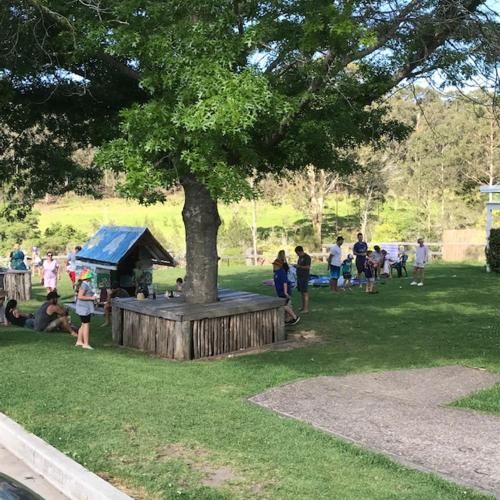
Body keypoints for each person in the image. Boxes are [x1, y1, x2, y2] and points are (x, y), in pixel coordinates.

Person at [272, 259, 300, 325]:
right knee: (287, 305)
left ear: (279, 266)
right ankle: (288, 319)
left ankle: (295, 317)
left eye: (274, 265)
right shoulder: (277, 272)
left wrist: (285, 292)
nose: (273, 266)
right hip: (280, 292)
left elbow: (285, 283)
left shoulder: (281, 272)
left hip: (284, 292)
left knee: (284, 305)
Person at [75, 269, 97, 349]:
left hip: (84, 308)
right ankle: (86, 343)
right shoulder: (84, 285)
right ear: (88, 277)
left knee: (83, 324)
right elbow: (80, 296)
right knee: (86, 325)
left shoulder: (84, 284)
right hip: (84, 309)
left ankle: (79, 341)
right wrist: (91, 298)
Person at [294, 246, 311, 313]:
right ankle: (303, 307)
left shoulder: (307, 257)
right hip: (299, 276)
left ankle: (306, 309)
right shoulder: (300, 257)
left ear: (300, 251)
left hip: (304, 276)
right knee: (301, 292)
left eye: (297, 253)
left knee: (305, 292)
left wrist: (299, 266)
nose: (297, 254)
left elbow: (308, 267)